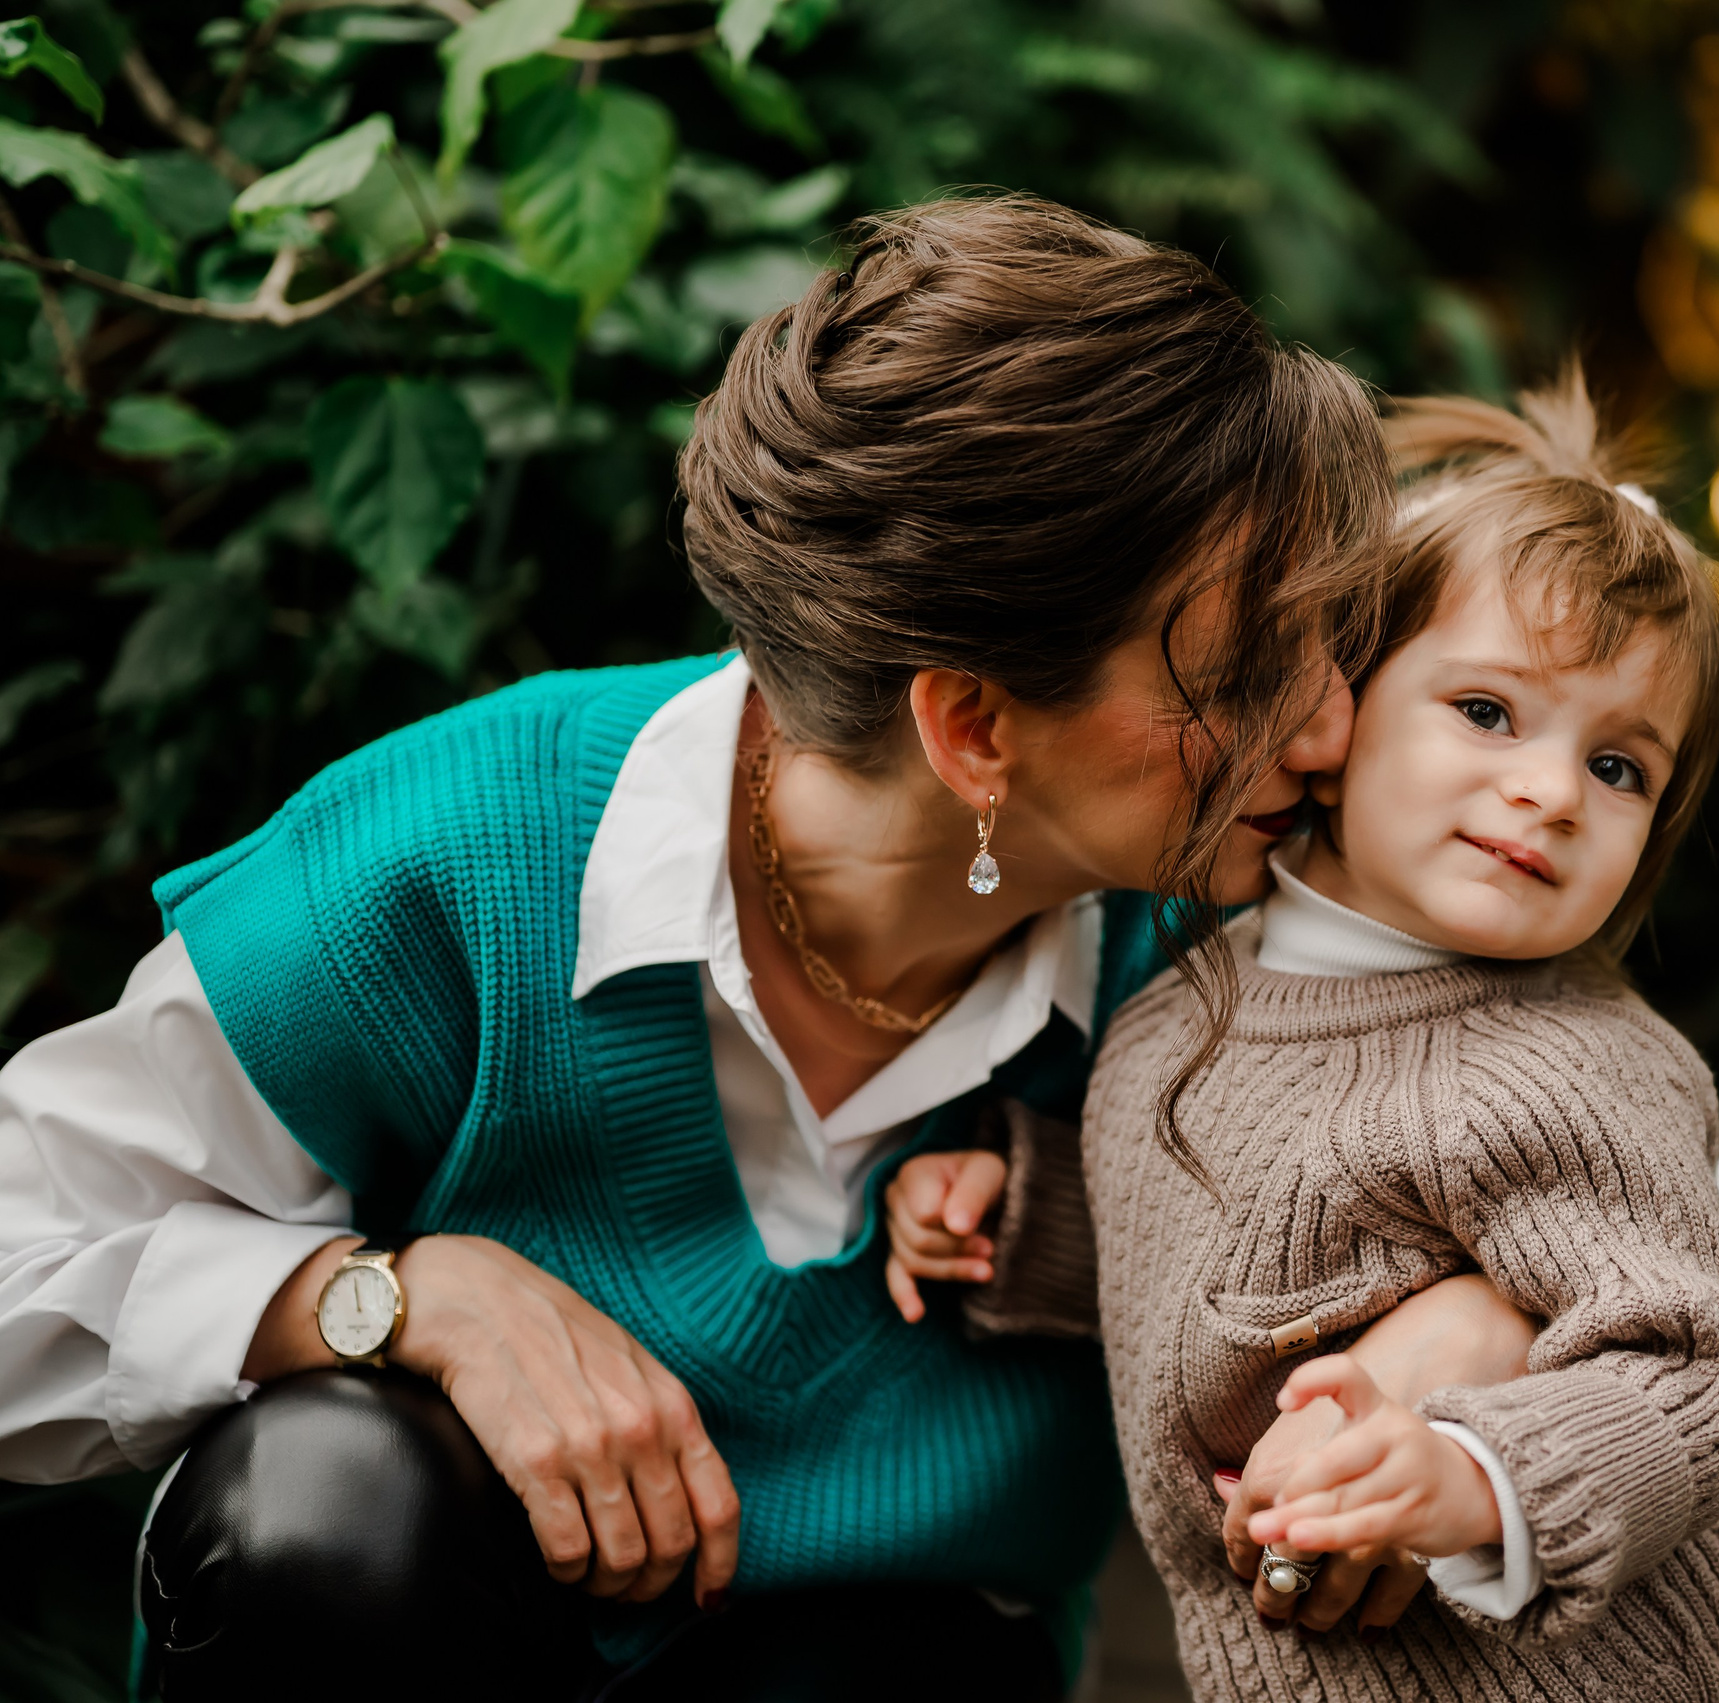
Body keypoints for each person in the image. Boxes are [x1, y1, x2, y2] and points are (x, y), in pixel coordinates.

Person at [0, 195, 1532, 1702]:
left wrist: (1481, 1325)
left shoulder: (1268, 913)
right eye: (1249, 670)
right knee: (325, 1496)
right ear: (975, 727)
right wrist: (392, 1298)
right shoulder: (456, 857)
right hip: (414, 1646)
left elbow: (1702, 1229)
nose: (1334, 730)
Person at [885, 369, 1719, 1698]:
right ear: (1334, 712)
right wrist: (1029, 1219)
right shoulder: (1198, 984)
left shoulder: (1561, 1064)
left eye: (1620, 765)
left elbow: (1694, 1362)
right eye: (1488, 712)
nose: (1551, 791)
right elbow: (1219, 1252)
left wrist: (1475, 1470)